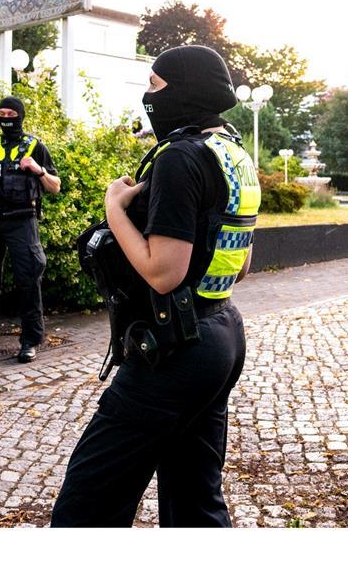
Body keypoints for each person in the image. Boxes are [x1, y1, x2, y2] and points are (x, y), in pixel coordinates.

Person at [51, 45, 259, 527]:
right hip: (222, 334)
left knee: (87, 504)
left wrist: (113, 209)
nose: (148, 96)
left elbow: (163, 271)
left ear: (184, 90)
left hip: (174, 349)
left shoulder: (178, 158)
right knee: (194, 501)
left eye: (155, 85)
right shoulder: (232, 153)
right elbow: (241, 265)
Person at [0, 96, 61, 364]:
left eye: (11, 113)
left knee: (29, 279)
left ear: (20, 116)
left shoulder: (35, 147)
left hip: (23, 220)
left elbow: (55, 186)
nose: (6, 117)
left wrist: (38, 170)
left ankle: (30, 341)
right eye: (1, 113)